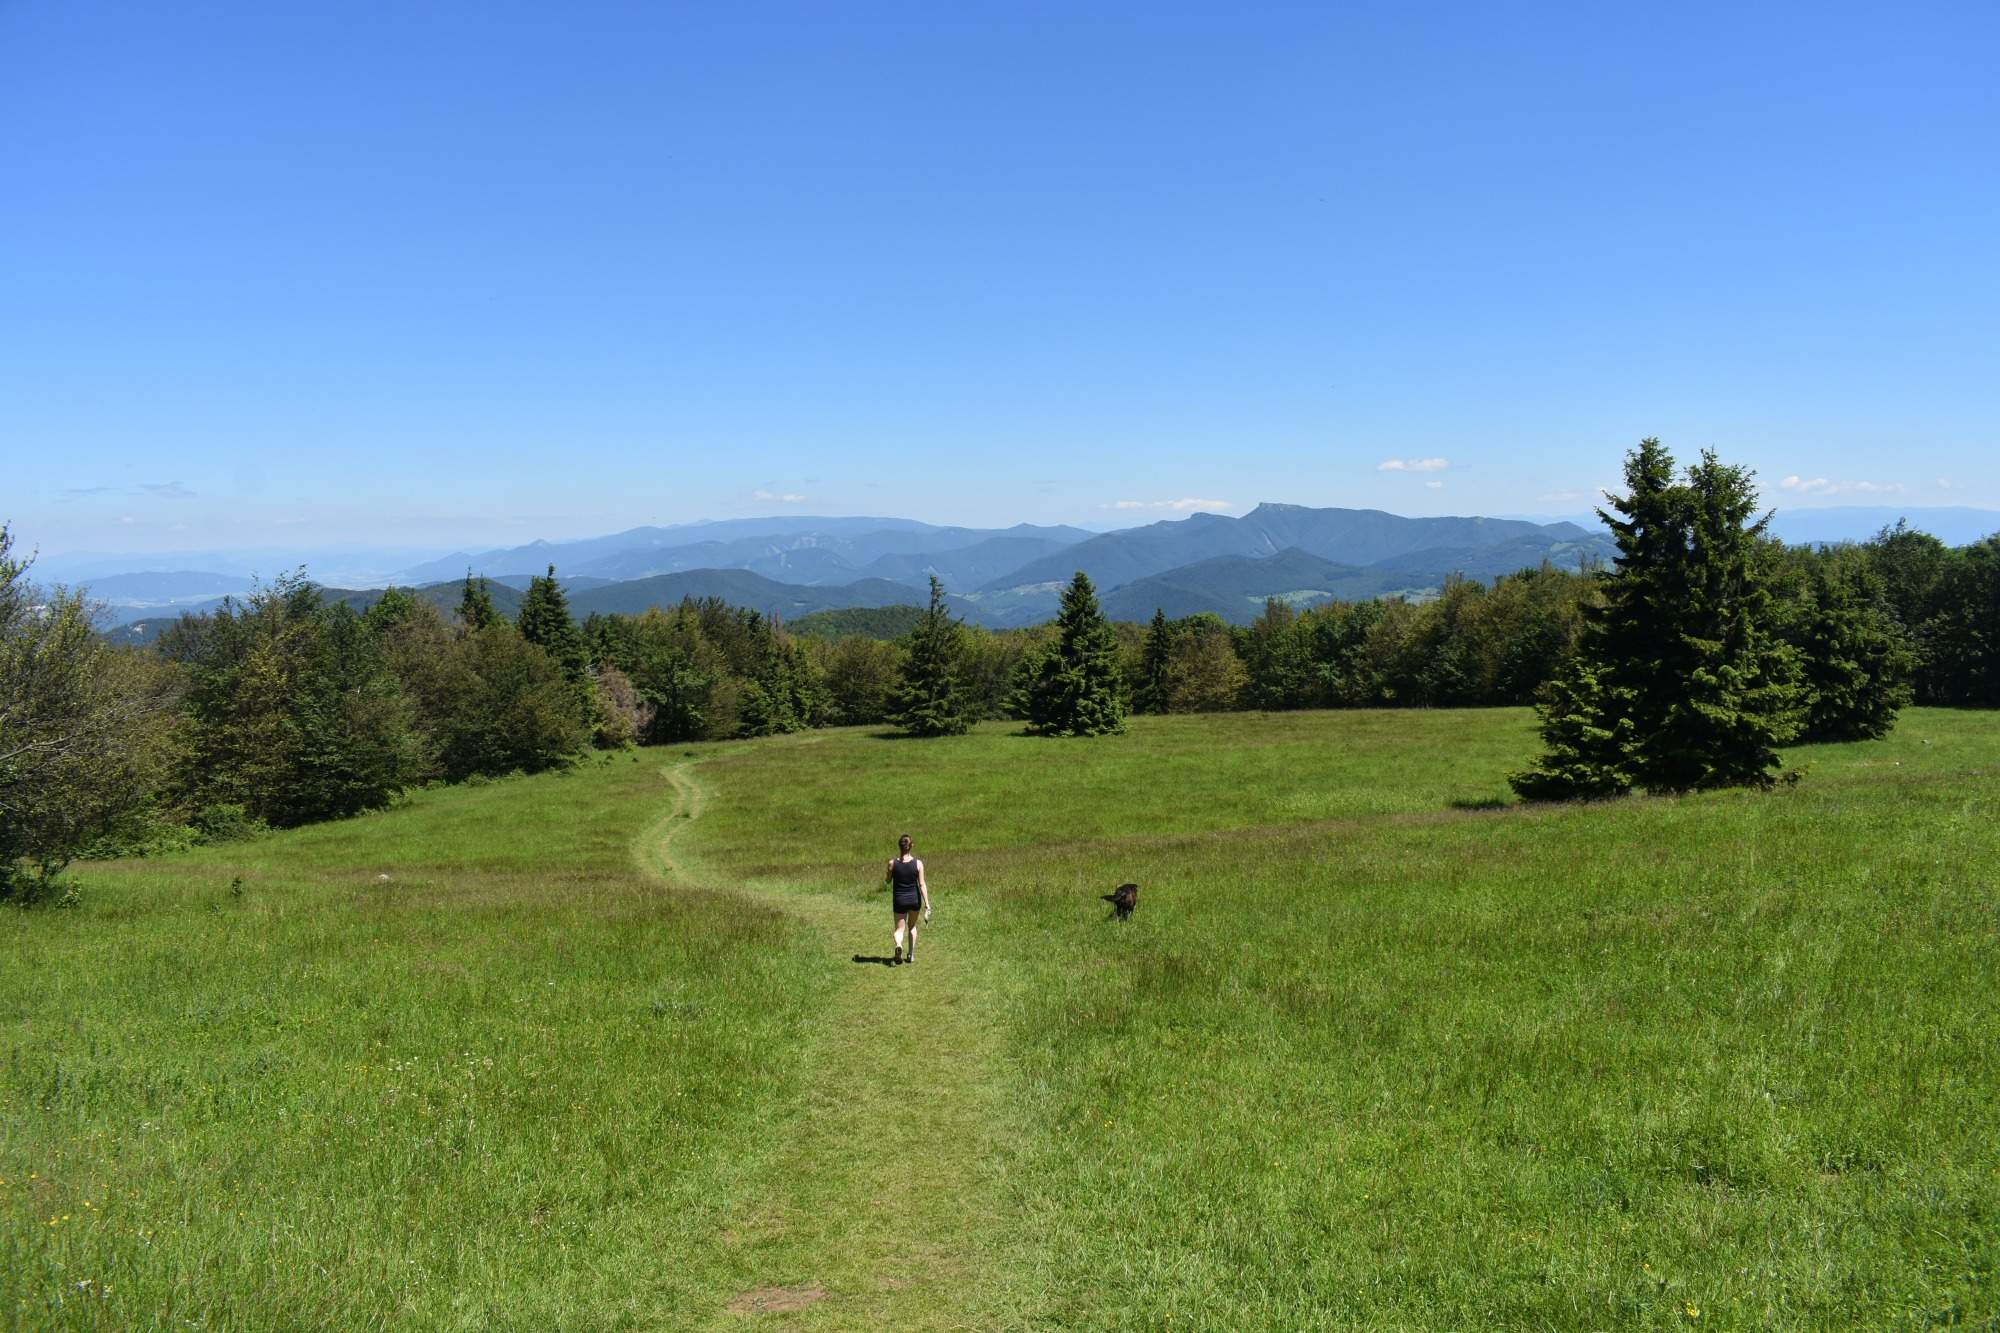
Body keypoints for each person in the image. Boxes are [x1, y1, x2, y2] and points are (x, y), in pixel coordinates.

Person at [885, 833, 931, 965]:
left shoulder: (892, 863)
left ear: (899, 846)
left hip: (899, 900)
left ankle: (899, 944)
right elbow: (922, 884)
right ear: (911, 846)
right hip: (914, 899)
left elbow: (888, 881)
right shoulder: (918, 864)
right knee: (912, 926)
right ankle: (910, 955)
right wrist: (927, 904)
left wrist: (888, 874)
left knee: (899, 929)